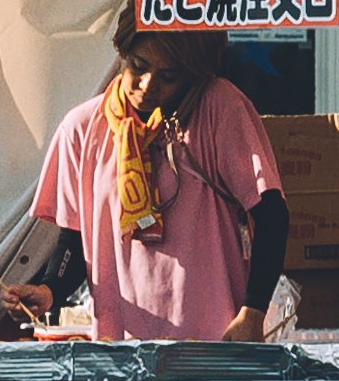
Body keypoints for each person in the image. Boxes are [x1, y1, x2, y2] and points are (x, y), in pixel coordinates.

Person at [20, 18, 285, 343]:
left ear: (192, 74)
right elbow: (75, 238)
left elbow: (271, 213)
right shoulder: (82, 128)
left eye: (168, 76)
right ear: (121, 52)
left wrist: (253, 312)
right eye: (138, 66)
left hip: (215, 339)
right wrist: (50, 290)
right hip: (120, 347)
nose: (147, 85)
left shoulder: (219, 108)